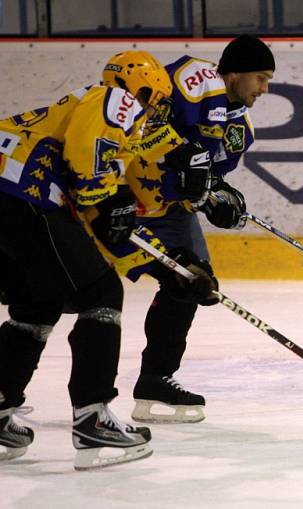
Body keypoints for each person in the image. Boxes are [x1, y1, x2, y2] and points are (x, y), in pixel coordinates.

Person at [0, 50, 172, 468]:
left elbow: (99, 218)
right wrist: (112, 201)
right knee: (101, 292)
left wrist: (161, 262)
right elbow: (90, 173)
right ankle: (93, 418)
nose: (154, 112)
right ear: (144, 87)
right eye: (157, 101)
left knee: (37, 304)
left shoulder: (81, 109)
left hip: (9, 195)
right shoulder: (114, 98)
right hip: (24, 191)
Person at [115, 35, 275, 424]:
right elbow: (143, 120)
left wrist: (218, 200)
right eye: (259, 77)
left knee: (192, 280)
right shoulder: (197, 78)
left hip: (168, 211)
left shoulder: (241, 130)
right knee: (67, 293)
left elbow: (204, 181)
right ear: (233, 72)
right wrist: (178, 153)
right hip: (117, 193)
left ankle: (155, 378)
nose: (264, 89)